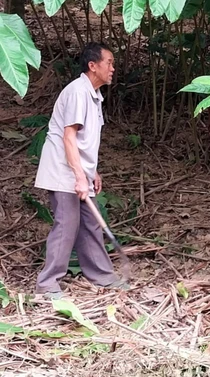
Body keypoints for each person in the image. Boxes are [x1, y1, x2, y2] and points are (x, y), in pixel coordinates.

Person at [34, 42, 125, 299]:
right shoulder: (77, 92)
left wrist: (92, 172)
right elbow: (69, 137)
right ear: (92, 65)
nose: (113, 68)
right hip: (63, 171)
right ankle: (48, 283)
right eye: (109, 63)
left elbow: (87, 141)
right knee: (67, 224)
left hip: (78, 171)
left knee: (91, 224)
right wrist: (78, 177)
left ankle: (103, 275)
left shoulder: (94, 96)